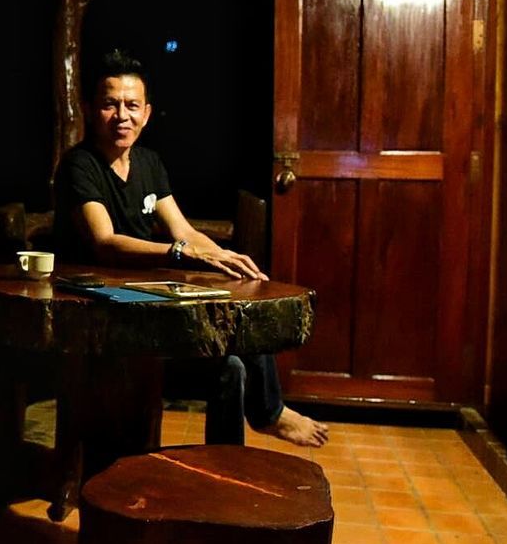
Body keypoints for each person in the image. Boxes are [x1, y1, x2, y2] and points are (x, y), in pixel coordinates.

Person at [53, 49, 328, 448]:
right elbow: (105, 241)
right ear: (90, 109)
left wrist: (223, 256)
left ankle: (226, 469)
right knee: (222, 341)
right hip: (101, 310)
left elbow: (181, 228)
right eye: (110, 105)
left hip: (146, 300)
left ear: (147, 113)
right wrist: (182, 253)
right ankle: (270, 413)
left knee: (232, 356)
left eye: (132, 105)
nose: (122, 116)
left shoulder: (148, 163)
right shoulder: (80, 165)